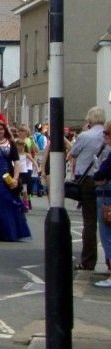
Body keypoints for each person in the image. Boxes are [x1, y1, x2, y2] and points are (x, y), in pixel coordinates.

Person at [68, 107, 109, 271]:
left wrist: (84, 131)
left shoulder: (85, 136)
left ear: (90, 120)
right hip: (106, 179)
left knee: (89, 221)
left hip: (86, 181)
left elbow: (73, 153)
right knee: (107, 220)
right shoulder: (105, 136)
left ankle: (88, 261)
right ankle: (109, 262)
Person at [90, 121, 111, 287]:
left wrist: (98, 175)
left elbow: (101, 175)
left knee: (108, 236)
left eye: (106, 133)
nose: (104, 136)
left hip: (107, 198)